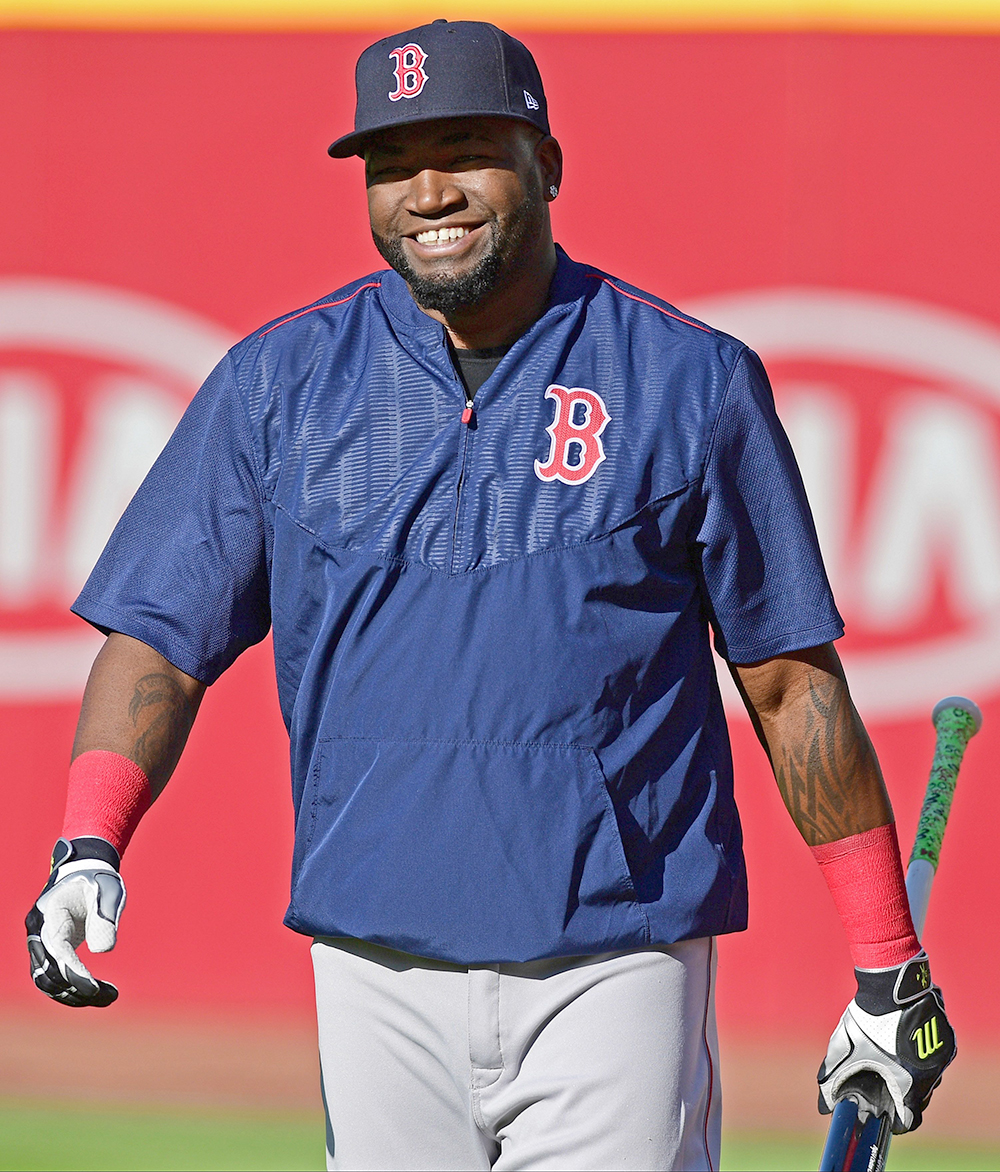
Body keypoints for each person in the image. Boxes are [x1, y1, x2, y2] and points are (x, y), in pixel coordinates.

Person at [25, 21, 954, 1171]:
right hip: (371, 955)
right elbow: (159, 637)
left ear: (546, 164)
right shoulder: (279, 384)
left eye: (466, 148)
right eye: (392, 162)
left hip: (616, 957)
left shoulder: (686, 379)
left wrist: (885, 958)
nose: (429, 191)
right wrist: (87, 840)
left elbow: (785, 679)